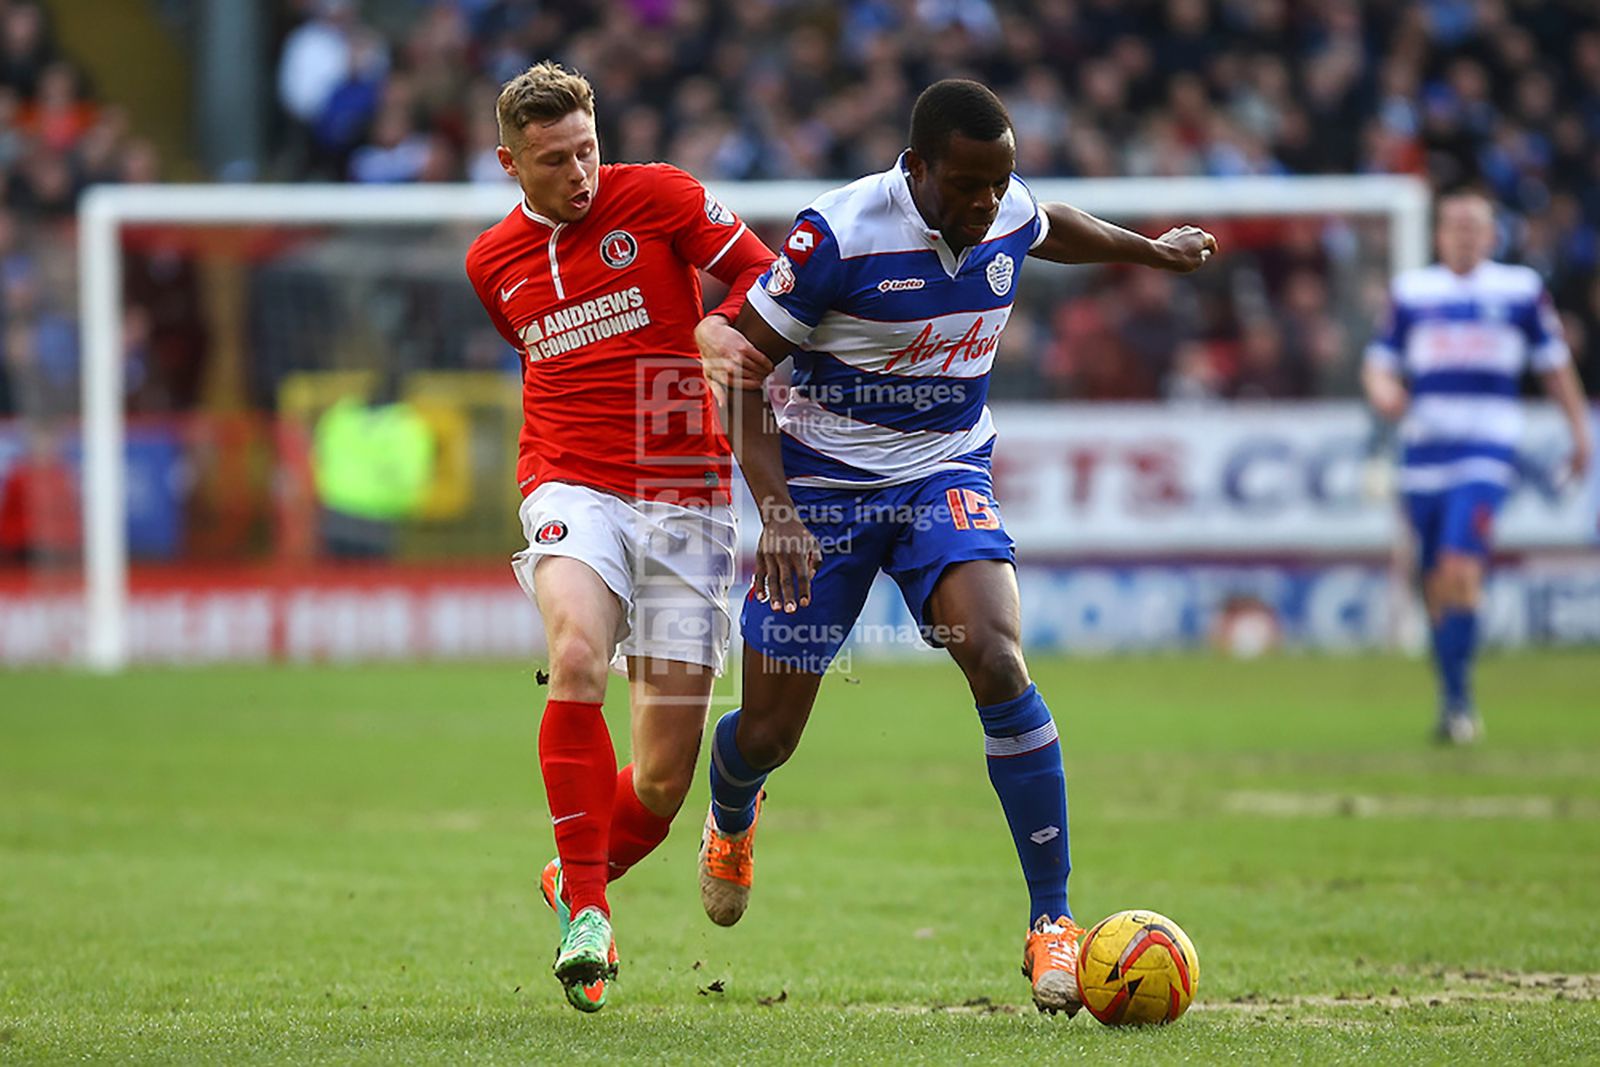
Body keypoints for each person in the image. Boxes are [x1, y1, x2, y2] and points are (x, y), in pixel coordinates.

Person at [696, 79, 1216, 1015]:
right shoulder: (838, 235)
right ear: (919, 167)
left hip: (944, 476)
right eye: (970, 184)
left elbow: (1052, 223)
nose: (989, 202)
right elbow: (736, 369)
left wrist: (1151, 250)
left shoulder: (1005, 205)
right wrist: (773, 511)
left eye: (999, 182)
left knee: (998, 656)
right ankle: (733, 806)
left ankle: (1051, 921)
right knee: (767, 734)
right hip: (819, 491)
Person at [463, 61, 775, 1012]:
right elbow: (544, 362)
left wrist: (720, 323)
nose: (581, 175)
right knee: (576, 656)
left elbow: (768, 276)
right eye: (555, 162)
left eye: (588, 151)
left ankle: (576, 874)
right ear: (510, 163)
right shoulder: (491, 265)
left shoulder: (663, 196)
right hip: (570, 485)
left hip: (687, 497)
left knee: (664, 779)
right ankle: (591, 913)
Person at [1363, 190, 1592, 744]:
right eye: (1454, 226)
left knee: (1460, 565)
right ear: (1439, 235)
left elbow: (1554, 366)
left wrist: (1580, 431)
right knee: (1436, 579)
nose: (1464, 235)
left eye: (1475, 226)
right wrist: (1387, 395)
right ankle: (1453, 698)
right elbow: (1379, 366)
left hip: (1486, 451)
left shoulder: (1519, 290)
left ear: (1492, 236)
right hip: (1423, 454)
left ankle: (1459, 700)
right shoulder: (1413, 292)